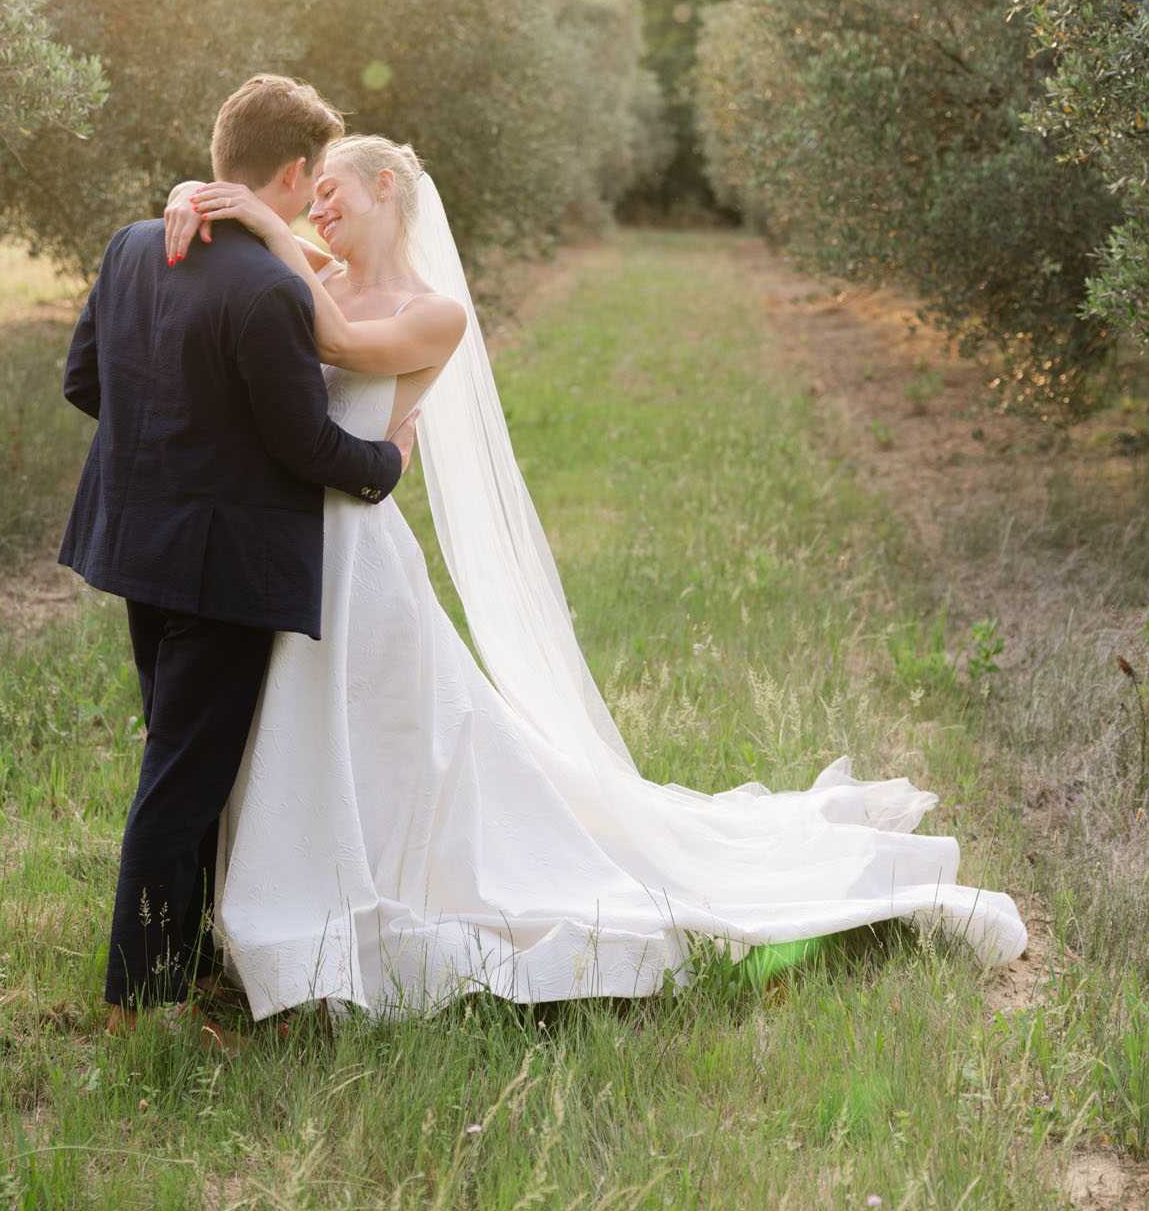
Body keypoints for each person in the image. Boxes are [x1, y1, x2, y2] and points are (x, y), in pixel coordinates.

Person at [164, 137, 1027, 1019]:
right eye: (309, 200)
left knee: (376, 732)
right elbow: (258, 254)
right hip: (290, 545)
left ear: (386, 188)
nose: (317, 208)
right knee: (315, 729)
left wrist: (269, 223)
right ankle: (292, 884)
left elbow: (338, 340)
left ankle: (347, 898)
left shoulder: (433, 312)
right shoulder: (315, 268)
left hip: (356, 552)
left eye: (334, 191)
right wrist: (197, 200)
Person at [59, 77, 417, 1039]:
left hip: (136, 545)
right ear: (295, 173)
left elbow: (85, 379)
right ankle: (136, 1005)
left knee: (179, 760)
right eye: (312, 186)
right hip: (222, 570)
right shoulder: (270, 290)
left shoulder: (135, 245)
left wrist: (175, 443)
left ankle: (202, 969)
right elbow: (308, 448)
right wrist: (387, 463)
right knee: (184, 778)